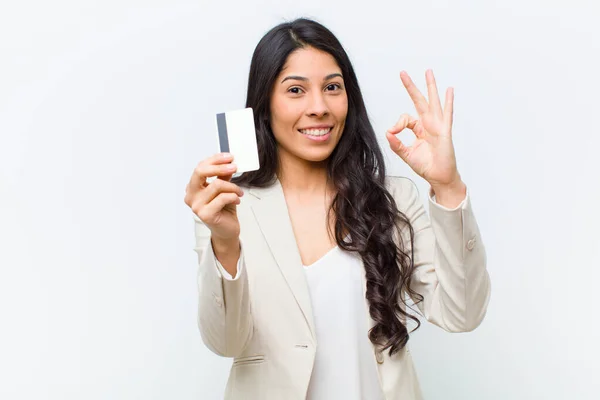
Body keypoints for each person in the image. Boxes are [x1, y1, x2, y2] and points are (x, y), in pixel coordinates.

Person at [184, 17, 491, 400]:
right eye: (295, 90)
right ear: (264, 104)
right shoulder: (229, 208)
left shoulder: (392, 199)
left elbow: (462, 313)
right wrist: (225, 242)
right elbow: (225, 342)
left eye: (332, 87)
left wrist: (448, 187)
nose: (319, 107)